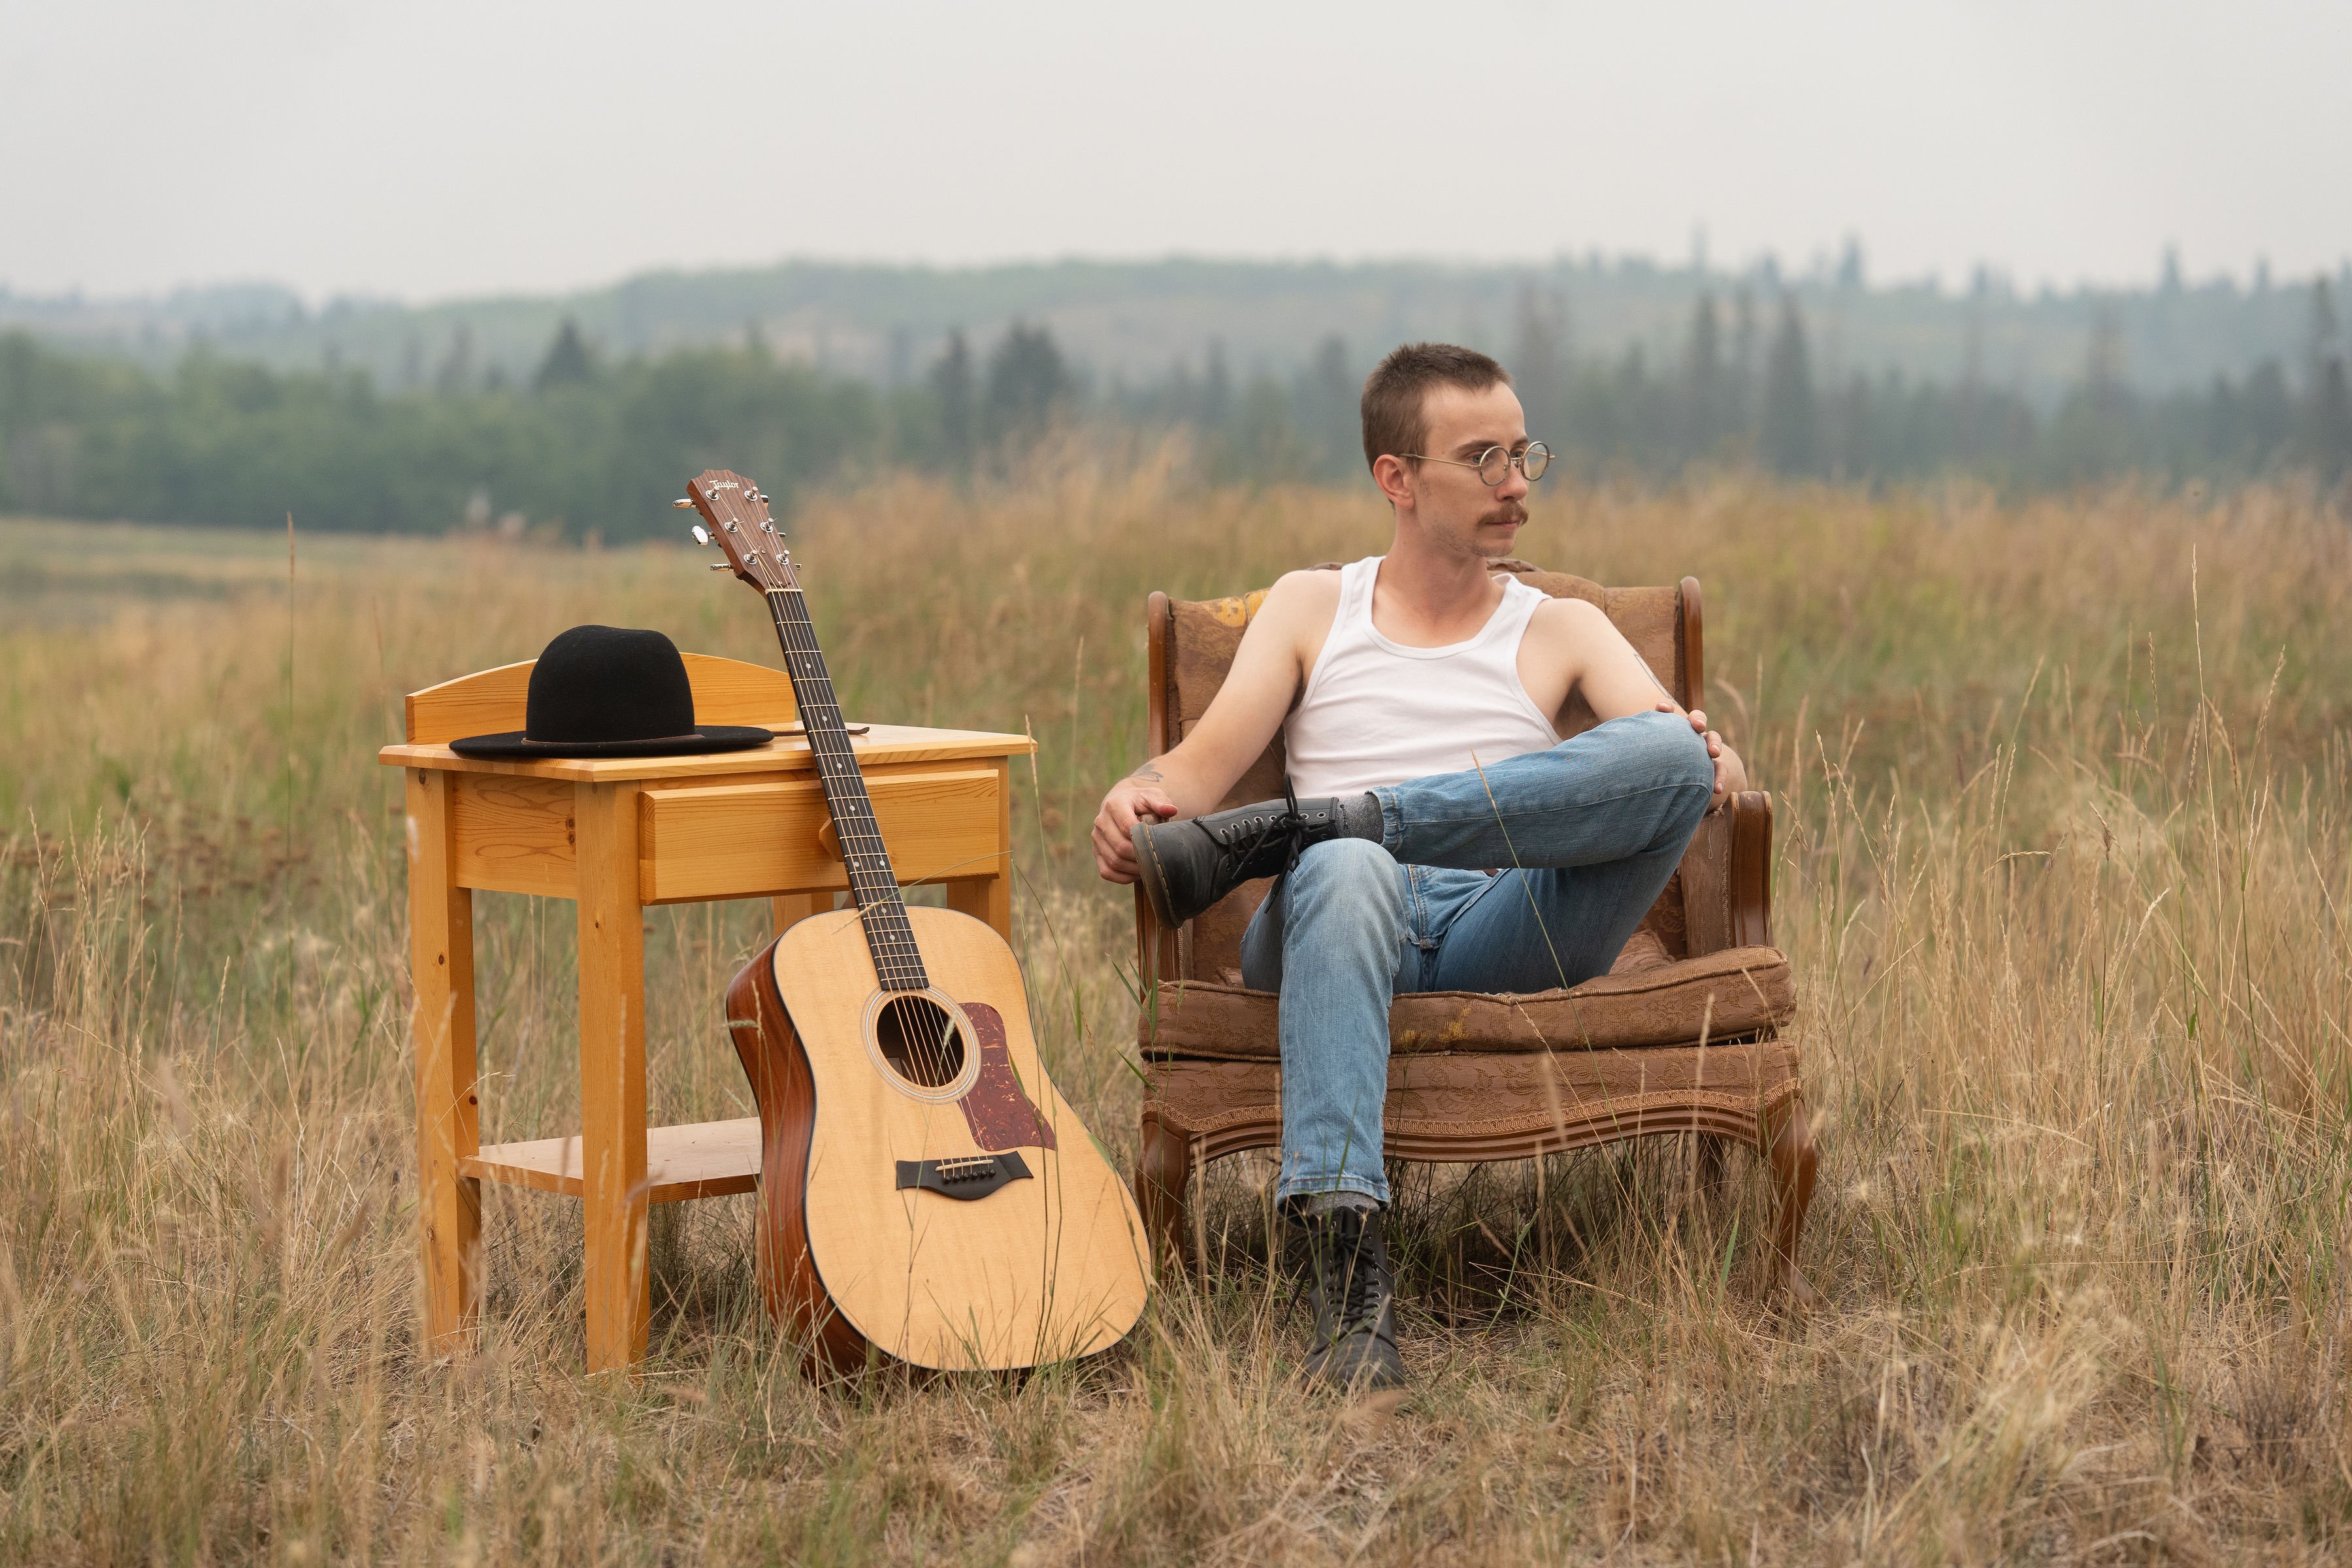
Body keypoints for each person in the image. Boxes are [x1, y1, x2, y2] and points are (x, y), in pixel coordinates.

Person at [1091, 342, 1748, 1390]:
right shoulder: (1315, 609)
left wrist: (1708, 758)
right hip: (1333, 924)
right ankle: (1350, 1287)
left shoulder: (1566, 629)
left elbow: (1696, 775)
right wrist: (1135, 802)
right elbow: (1192, 774)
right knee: (1347, 868)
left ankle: (1323, 822)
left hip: (1509, 924)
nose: (1516, 483)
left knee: (1669, 751)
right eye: (1482, 459)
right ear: (1396, 479)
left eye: (1523, 454)